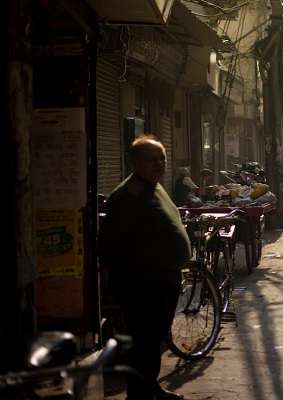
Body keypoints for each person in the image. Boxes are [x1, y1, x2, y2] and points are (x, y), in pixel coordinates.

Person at [98, 136, 190, 400]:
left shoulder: (154, 187)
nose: (159, 164)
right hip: (143, 283)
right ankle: (139, 394)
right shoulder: (128, 195)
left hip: (163, 279)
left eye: (162, 158)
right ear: (135, 162)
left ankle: (150, 388)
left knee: (154, 340)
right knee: (143, 343)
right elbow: (110, 244)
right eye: (152, 160)